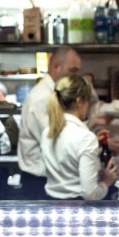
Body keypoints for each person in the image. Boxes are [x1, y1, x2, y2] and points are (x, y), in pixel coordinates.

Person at [17, 45, 82, 198]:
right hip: (39, 182)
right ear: (55, 66)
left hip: (48, 178)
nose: (76, 77)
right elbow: (57, 140)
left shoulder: (53, 94)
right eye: (73, 70)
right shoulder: (43, 98)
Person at [41, 73, 118, 200]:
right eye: (87, 101)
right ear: (79, 102)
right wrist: (106, 182)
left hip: (51, 205)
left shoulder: (47, 132)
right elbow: (90, 194)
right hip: (77, 209)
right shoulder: (85, 138)